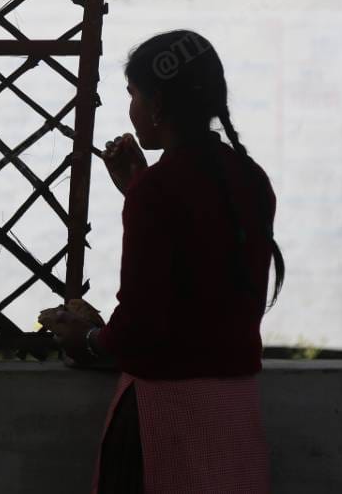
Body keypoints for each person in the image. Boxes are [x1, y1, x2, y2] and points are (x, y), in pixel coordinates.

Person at [40, 30, 284, 493]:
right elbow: (206, 267)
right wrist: (139, 188)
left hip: (165, 421)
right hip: (234, 417)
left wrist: (85, 337)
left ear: (155, 104)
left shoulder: (159, 190)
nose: (130, 109)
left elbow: (139, 330)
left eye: (132, 94)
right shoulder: (250, 178)